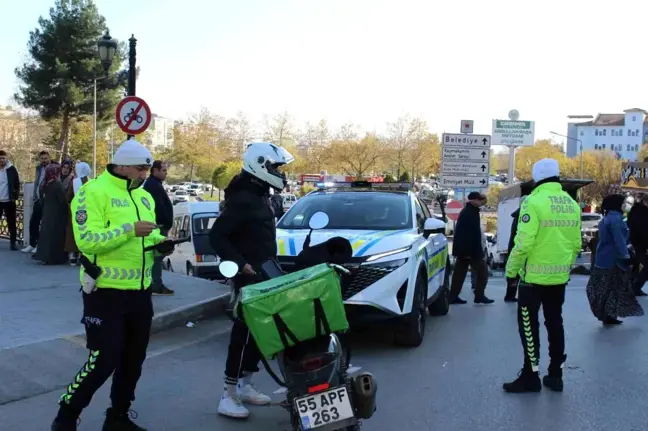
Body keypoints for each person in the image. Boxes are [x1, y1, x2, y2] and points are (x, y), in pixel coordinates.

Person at [51, 139, 170, 431]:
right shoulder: (93, 192)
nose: (145, 174)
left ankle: (118, 417)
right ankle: (66, 416)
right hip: (105, 293)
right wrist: (130, 230)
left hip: (140, 294)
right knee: (103, 360)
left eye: (147, 169)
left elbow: (148, 239)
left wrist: (161, 245)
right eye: (141, 169)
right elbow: (87, 241)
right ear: (124, 165)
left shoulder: (144, 197)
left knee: (133, 359)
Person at [209, 142, 294, 419]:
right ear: (260, 165)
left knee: (261, 334)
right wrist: (241, 264)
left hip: (265, 273)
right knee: (243, 335)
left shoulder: (259, 194)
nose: (279, 173)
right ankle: (228, 394)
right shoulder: (243, 197)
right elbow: (217, 236)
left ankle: (245, 385)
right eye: (275, 167)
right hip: (249, 277)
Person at [503, 158, 581, 393]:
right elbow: (576, 244)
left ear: (536, 178)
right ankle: (556, 375)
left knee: (528, 325)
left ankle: (531, 375)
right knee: (555, 322)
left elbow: (523, 243)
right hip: (559, 278)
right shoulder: (571, 204)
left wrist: (511, 271)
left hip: (532, 279)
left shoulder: (533, 202)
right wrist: (563, 267)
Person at [586, 194, 644, 324]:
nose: (625, 205)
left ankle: (607, 314)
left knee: (605, 287)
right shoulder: (616, 220)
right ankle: (608, 314)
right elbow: (619, 241)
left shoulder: (608, 218)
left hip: (603, 258)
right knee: (614, 288)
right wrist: (627, 257)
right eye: (623, 203)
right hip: (614, 260)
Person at [449, 191, 494, 305]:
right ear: (473, 200)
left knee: (459, 275)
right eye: (478, 200)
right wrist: (477, 252)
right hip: (470, 251)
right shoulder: (470, 213)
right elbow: (472, 235)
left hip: (464, 251)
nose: (480, 202)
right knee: (483, 273)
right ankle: (479, 296)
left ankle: (452, 296)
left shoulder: (469, 211)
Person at [144, 160, 174, 295]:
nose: (166, 173)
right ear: (155, 170)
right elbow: (158, 208)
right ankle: (155, 285)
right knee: (157, 256)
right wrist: (164, 223)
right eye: (163, 171)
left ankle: (156, 283)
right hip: (158, 227)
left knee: (158, 257)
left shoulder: (155, 184)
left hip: (160, 226)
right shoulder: (152, 185)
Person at [34, 164, 69, 265]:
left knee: (46, 235)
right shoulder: (57, 183)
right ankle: (55, 258)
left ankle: (44, 256)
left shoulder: (45, 183)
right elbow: (62, 200)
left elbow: (41, 197)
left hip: (47, 212)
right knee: (56, 236)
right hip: (57, 214)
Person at [22, 150, 51, 253]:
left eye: (45, 158)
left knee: (44, 224)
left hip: (47, 199)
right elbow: (37, 182)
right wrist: (35, 195)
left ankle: (40, 246)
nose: (44, 160)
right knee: (33, 222)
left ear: (49, 158)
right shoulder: (39, 168)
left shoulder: (53, 168)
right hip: (38, 199)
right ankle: (32, 244)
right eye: (42, 158)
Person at [65, 162, 92, 265]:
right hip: (88, 210)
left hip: (75, 210)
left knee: (72, 232)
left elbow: (68, 196)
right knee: (84, 231)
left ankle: (73, 254)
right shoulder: (91, 181)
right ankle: (83, 254)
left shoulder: (74, 182)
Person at [504, 196, 527, 303]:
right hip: (518, 247)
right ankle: (510, 296)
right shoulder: (523, 216)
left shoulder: (517, 216)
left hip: (514, 247)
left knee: (514, 272)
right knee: (517, 272)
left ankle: (510, 295)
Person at [626, 193, 648, 296]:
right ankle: (634, 287)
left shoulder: (636, 211)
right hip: (639, 244)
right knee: (645, 267)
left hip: (638, 243)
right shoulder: (641, 213)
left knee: (639, 265)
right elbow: (643, 231)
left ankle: (633, 286)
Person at [0, 150, 20, 250]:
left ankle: (13, 243)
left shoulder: (11, 169)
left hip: (9, 200)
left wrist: (15, 195)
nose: (1, 160)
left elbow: (17, 183)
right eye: (0, 158)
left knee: (11, 223)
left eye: (3, 158)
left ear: (6, 158)